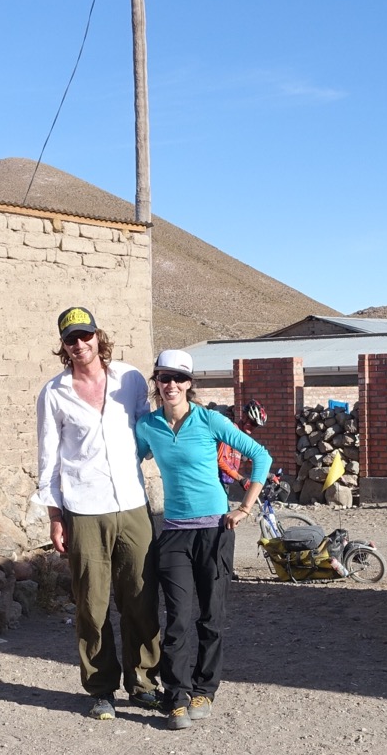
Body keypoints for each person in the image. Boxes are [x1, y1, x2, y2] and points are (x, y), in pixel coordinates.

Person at [34, 307, 162, 721]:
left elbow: (148, 432)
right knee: (91, 604)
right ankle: (101, 688)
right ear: (63, 345)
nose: (79, 344)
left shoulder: (130, 379)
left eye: (85, 335)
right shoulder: (54, 393)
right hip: (84, 509)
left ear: (97, 337)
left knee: (140, 597)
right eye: (71, 339)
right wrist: (55, 516)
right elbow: (48, 459)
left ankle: (143, 683)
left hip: (132, 503)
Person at [133, 349, 271, 730]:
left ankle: (204, 690)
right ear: (157, 382)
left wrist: (245, 508)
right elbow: (128, 464)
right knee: (177, 619)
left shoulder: (210, 420)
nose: (171, 384)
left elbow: (260, 456)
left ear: (189, 383)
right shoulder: (148, 427)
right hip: (175, 533)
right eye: (164, 377)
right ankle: (176, 697)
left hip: (215, 531)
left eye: (179, 378)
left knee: (211, 617)